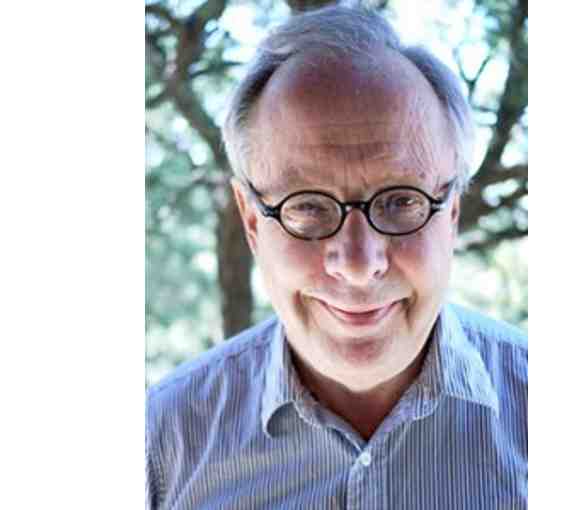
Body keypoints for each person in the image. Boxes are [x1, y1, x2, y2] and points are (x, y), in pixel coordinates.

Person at [146, 6, 527, 509]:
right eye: (307, 206)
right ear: (252, 221)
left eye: (401, 202)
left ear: (452, 211)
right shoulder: (161, 445)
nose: (358, 264)